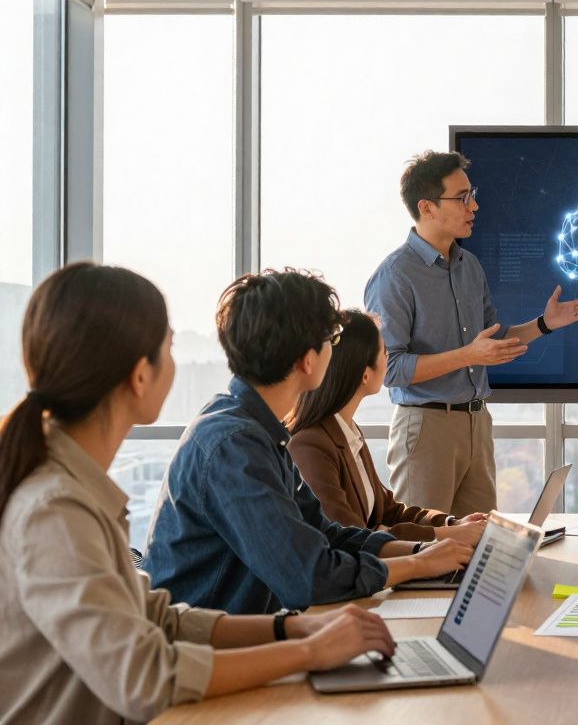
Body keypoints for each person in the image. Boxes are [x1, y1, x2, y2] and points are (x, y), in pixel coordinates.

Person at [0, 263, 397, 724]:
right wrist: (309, 651)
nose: (177, 362)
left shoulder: (73, 492)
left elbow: (161, 620)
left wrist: (291, 627)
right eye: (168, 348)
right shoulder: (54, 511)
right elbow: (147, 678)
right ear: (139, 376)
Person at [145, 269, 473, 615]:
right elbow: (309, 577)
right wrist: (419, 564)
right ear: (307, 359)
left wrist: (424, 551)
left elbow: (327, 535)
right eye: (331, 340)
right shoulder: (236, 445)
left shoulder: (255, 429)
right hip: (211, 651)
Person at [364, 151, 578, 516]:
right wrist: (467, 356)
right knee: (426, 544)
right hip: (426, 427)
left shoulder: (469, 266)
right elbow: (390, 369)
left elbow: (492, 341)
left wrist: (544, 324)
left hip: (476, 422)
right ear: (426, 207)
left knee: (477, 544)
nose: (473, 206)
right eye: (461, 197)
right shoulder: (395, 275)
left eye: (472, 194)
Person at [287, 309, 488, 543]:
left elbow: (389, 511)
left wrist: (452, 523)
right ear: (364, 375)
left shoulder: (347, 431)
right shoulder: (310, 444)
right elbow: (350, 537)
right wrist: (449, 535)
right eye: (385, 352)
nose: (389, 359)